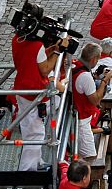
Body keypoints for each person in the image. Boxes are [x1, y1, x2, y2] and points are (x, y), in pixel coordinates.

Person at [11, 25, 69, 171]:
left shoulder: (17, 39)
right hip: (34, 93)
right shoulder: (37, 46)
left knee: (29, 129)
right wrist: (57, 51)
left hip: (22, 89)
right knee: (35, 135)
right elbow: (45, 69)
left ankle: (37, 162)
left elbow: (36, 58)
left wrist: (49, 50)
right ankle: (26, 172)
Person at [70, 43, 111, 163]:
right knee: (90, 156)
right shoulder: (85, 76)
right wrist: (104, 81)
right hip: (82, 119)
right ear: (93, 59)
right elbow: (96, 100)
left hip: (78, 114)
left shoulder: (74, 64)